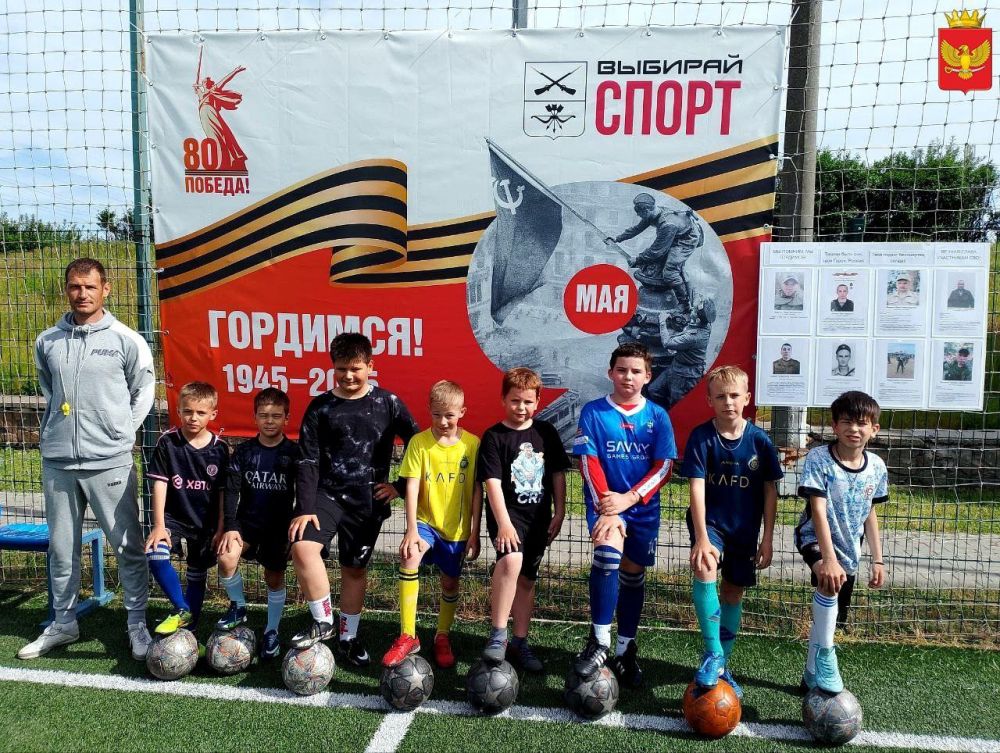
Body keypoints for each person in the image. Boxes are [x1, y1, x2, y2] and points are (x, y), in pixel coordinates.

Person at [19, 258, 155, 661]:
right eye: (75, 287)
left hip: (110, 461)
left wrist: (119, 432)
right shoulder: (47, 341)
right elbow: (49, 389)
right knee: (62, 550)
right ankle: (63, 623)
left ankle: (137, 625)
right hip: (59, 461)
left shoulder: (126, 339)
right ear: (67, 290)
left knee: (127, 547)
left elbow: (144, 391)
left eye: (90, 287)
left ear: (105, 289)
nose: (82, 294)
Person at [288, 333, 417, 666]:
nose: (348, 376)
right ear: (333, 368)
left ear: (370, 366)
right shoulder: (320, 407)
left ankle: (348, 638)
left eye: (355, 368)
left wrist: (400, 486)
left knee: (354, 570)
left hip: (367, 501)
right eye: (341, 369)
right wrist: (304, 507)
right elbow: (307, 460)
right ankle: (323, 621)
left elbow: (418, 445)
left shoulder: (388, 402)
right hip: (327, 496)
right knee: (303, 547)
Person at [572, 344, 676, 686]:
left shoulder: (658, 416)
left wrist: (628, 499)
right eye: (621, 370)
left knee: (632, 573)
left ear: (648, 376)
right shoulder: (593, 412)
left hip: (641, 509)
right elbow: (588, 461)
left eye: (635, 371)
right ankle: (600, 642)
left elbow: (664, 467)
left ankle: (624, 649)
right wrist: (608, 505)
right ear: (610, 373)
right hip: (605, 507)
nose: (628, 377)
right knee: (606, 556)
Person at [683, 365, 781, 698]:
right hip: (710, 524)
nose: (728, 402)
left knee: (733, 592)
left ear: (747, 398)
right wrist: (701, 537)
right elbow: (696, 487)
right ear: (709, 400)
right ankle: (712, 653)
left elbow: (770, 490)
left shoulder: (760, 441)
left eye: (735, 395)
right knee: (704, 567)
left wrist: (767, 538)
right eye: (721, 396)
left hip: (744, 528)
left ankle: (722, 663)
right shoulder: (701, 437)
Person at [382, 380, 483, 669]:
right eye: (437, 414)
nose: (442, 421)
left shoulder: (472, 444)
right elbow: (412, 485)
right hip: (425, 523)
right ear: (429, 410)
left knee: (450, 582)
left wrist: (475, 532)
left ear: (462, 412)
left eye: (449, 415)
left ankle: (442, 635)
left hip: (457, 530)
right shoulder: (419, 443)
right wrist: (411, 528)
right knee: (409, 556)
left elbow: (477, 490)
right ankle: (407, 635)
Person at [795, 391, 887, 693]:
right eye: (846, 422)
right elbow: (818, 510)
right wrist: (829, 559)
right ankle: (826, 655)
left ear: (874, 429)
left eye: (862, 423)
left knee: (831, 612)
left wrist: (877, 559)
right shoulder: (819, 459)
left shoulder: (877, 467)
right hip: (815, 538)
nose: (854, 429)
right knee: (829, 583)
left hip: (849, 549)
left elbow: (870, 512)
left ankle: (810, 675)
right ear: (835, 426)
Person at [479, 367, 570, 672]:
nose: (521, 407)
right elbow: (491, 483)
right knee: (510, 561)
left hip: (538, 519)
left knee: (527, 579)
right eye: (515, 401)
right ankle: (498, 635)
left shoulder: (546, 433)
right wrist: (503, 523)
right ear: (503, 399)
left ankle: (519, 641)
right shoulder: (494, 436)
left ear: (538, 401)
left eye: (528, 402)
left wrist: (560, 511)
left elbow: (557, 474)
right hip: (507, 516)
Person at [215, 388, 299, 659]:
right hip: (246, 524)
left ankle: (272, 630)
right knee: (226, 558)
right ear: (255, 418)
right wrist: (231, 526)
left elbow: (304, 493)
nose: (269, 421)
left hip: (278, 528)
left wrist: (295, 529)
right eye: (264, 415)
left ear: (286, 418)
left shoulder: (294, 453)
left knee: (273, 578)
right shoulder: (244, 452)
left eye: (276, 416)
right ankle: (238, 606)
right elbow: (231, 490)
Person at [144, 381, 230, 634]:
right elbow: (160, 484)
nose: (193, 417)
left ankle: (189, 631)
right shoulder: (168, 443)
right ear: (178, 411)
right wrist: (159, 525)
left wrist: (221, 528)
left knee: (197, 572)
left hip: (206, 523)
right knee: (155, 553)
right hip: (173, 518)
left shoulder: (220, 449)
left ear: (213, 414)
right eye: (188, 411)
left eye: (201, 412)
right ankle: (182, 608)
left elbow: (224, 493)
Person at [605, 193, 703, 314]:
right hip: (675, 235)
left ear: (646, 210)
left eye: (639, 213)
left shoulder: (667, 224)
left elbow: (657, 251)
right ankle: (686, 291)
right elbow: (637, 229)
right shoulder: (653, 213)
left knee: (670, 272)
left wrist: (638, 259)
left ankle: (685, 303)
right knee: (660, 263)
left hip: (685, 240)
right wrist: (617, 238)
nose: (638, 215)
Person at [652, 299, 714, 409]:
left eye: (694, 311)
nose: (692, 310)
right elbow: (689, 327)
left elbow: (667, 343)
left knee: (677, 404)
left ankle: (670, 414)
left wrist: (662, 322)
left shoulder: (693, 337)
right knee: (653, 390)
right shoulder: (705, 325)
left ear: (698, 319)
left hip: (685, 376)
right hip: (677, 366)